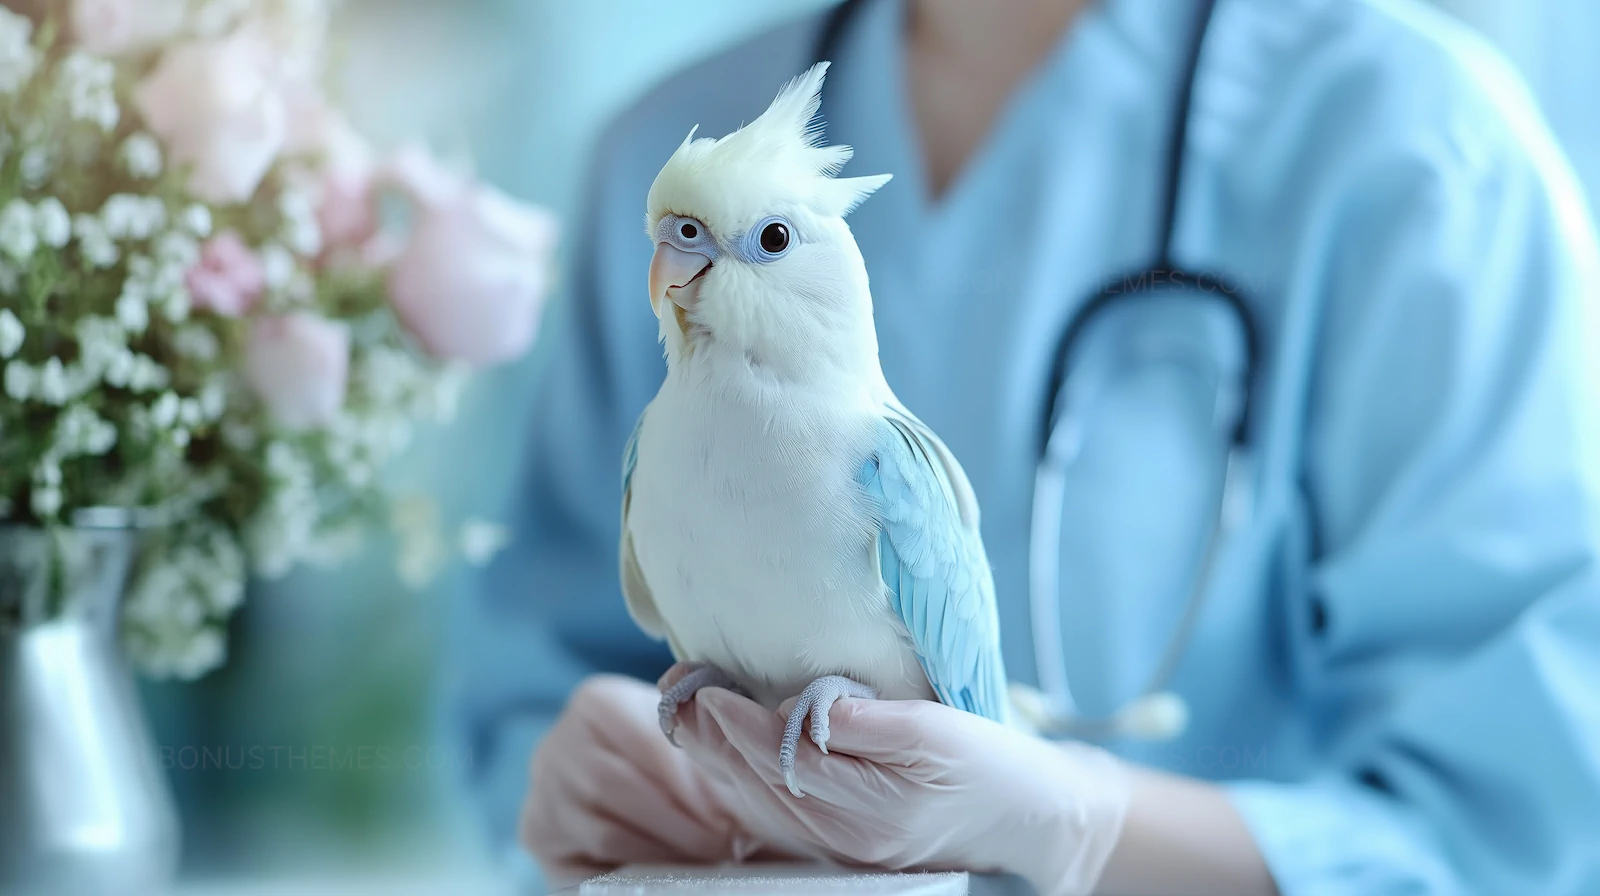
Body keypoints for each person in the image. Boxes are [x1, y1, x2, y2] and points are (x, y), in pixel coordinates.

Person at [447, 0, 1600, 892]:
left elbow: (1515, 821)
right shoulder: (664, 154)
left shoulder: (1423, 156)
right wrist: (584, 797)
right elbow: (534, 682)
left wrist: (1080, 825)